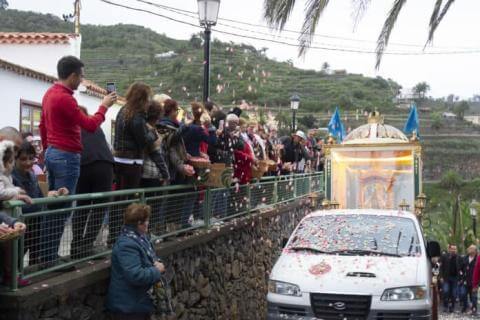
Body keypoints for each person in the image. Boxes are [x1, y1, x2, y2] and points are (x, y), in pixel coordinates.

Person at [39, 56, 116, 265]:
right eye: (81, 76)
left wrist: (48, 152)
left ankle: (46, 255)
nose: (81, 80)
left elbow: (42, 127)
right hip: (67, 156)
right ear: (72, 75)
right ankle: (49, 259)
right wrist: (104, 106)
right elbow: (90, 125)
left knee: (53, 206)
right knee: (62, 209)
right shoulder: (65, 98)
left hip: (54, 154)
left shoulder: (49, 94)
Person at [12, 141, 68, 266]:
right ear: (15, 159)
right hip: (19, 225)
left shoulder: (32, 175)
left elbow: (41, 195)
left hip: (35, 223)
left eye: (31, 158)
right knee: (15, 257)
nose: (28, 162)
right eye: (23, 159)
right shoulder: (10, 178)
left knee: (35, 255)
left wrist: (56, 192)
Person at [106, 203, 165, 320]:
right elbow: (136, 275)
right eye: (147, 220)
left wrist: (157, 262)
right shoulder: (127, 245)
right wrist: (157, 270)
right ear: (139, 223)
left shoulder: (140, 238)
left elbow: (150, 258)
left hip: (138, 303)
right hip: (129, 308)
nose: (148, 223)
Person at [70, 107, 114, 259]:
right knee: (99, 207)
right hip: (103, 164)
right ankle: (87, 246)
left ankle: (75, 246)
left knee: (82, 206)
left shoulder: (72, 125)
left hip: (83, 165)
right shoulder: (92, 123)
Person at [140, 101, 170, 189]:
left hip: (140, 172)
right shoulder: (152, 132)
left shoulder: (141, 127)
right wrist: (166, 175)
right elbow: (157, 155)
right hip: (151, 173)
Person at [440, 244, 463, 313]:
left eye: (455, 249)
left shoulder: (459, 258)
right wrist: (441, 277)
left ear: (456, 250)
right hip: (446, 278)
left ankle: (452, 307)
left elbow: (462, 268)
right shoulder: (444, 256)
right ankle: (445, 306)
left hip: (455, 278)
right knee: (446, 291)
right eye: (452, 249)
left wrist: (461, 278)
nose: (453, 250)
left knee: (454, 294)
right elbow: (441, 267)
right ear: (449, 249)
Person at [461, 245, 478, 314]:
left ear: (475, 250)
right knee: (463, 294)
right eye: (469, 248)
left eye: (471, 248)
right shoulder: (465, 258)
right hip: (465, 281)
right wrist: (461, 278)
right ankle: (465, 307)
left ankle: (474, 309)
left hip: (474, 282)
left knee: (473, 297)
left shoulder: (477, 259)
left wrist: (478, 283)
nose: (469, 249)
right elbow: (461, 269)